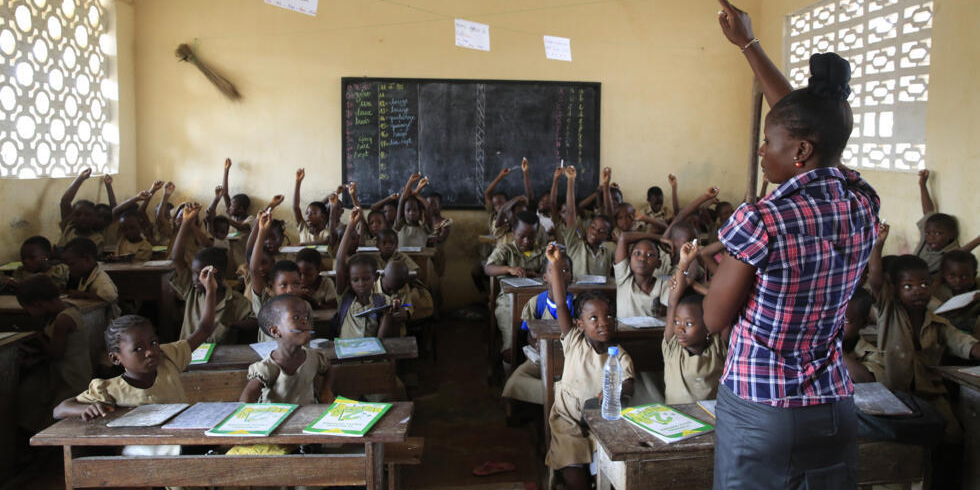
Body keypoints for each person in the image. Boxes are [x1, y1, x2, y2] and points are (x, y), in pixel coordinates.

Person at [704, 2, 881, 487]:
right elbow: (813, 128)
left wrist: (749, 46)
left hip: (762, 408)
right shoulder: (862, 202)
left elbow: (714, 319)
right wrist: (749, 46)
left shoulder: (762, 219)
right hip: (832, 406)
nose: (762, 150)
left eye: (769, 141)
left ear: (800, 150)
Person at [52, 267, 220, 459]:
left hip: (183, 441)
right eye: (138, 349)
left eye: (154, 342)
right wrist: (84, 408)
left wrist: (211, 290)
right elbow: (60, 409)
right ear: (116, 358)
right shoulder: (109, 389)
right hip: (147, 454)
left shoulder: (168, 358)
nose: (150, 351)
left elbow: (205, 329)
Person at [542, 243, 634, 490]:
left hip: (603, 423)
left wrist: (617, 392)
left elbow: (628, 383)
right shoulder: (573, 341)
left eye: (608, 317)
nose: (603, 323)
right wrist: (556, 264)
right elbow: (561, 304)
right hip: (568, 420)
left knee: (605, 474)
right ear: (579, 324)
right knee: (575, 476)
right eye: (593, 318)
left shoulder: (619, 356)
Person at [15, 275, 92, 432]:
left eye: (27, 308)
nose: (28, 313)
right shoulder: (68, 308)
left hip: (71, 376)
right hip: (70, 372)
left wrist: (38, 337)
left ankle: (52, 453)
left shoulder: (63, 320)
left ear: (37, 303)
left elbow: (56, 354)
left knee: (52, 421)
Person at [170, 203, 252, 343]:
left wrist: (233, 325)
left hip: (222, 358)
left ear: (217, 275)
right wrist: (186, 222)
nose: (195, 278)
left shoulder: (237, 301)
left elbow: (255, 321)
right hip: (190, 357)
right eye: (194, 273)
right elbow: (177, 258)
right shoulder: (192, 292)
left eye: (199, 274)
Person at [502, 251, 574, 407]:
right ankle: (561, 396)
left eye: (565, 270)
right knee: (515, 380)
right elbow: (528, 333)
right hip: (541, 356)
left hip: (569, 359)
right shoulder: (537, 302)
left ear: (572, 276)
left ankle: (560, 396)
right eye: (553, 270)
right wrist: (535, 343)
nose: (559, 274)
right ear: (544, 277)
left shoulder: (578, 303)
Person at [239, 294, 335, 405]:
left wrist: (326, 390)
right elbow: (248, 395)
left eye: (306, 317)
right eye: (296, 317)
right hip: (276, 418)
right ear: (275, 331)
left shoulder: (314, 357)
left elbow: (329, 369)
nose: (305, 322)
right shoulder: (268, 367)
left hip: (308, 416)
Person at [663, 240, 726, 405]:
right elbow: (672, 303)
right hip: (676, 423)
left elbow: (724, 303)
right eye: (677, 322)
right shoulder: (673, 347)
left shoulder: (718, 347)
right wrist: (683, 263)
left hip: (711, 424)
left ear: (708, 327)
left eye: (689, 324)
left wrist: (695, 286)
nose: (680, 329)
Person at [332, 207, 405, 339]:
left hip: (372, 354)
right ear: (349, 280)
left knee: (388, 317)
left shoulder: (382, 300)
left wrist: (397, 311)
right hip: (348, 355)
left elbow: (395, 322)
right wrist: (350, 226)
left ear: (376, 277)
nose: (361, 284)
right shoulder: (345, 297)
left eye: (366, 279)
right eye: (355, 280)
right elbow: (339, 260)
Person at [485, 210, 546, 363]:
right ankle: (509, 371)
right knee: (511, 340)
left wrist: (536, 274)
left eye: (531, 237)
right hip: (508, 301)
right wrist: (508, 269)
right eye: (521, 236)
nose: (526, 241)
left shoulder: (543, 252)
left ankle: (540, 367)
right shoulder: (506, 250)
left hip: (538, 301)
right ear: (513, 232)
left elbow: (551, 273)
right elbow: (488, 268)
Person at [557, 166, 615, 277]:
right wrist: (570, 180)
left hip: (600, 294)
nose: (595, 232)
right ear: (588, 227)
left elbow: (609, 216)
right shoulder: (574, 244)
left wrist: (606, 186)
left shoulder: (608, 252)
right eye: (593, 227)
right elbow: (570, 213)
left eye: (601, 231)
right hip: (578, 294)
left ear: (607, 236)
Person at [614, 230, 671, 318]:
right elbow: (623, 237)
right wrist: (659, 238)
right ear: (629, 259)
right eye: (637, 253)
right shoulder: (623, 279)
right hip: (624, 332)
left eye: (650, 255)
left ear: (658, 263)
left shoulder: (663, 285)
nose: (642, 258)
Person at [930, 250, 979, 336]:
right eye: (952, 276)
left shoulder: (977, 287)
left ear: (974, 275)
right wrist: (971, 303)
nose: (958, 281)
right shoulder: (938, 292)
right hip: (949, 331)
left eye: (964, 276)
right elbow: (945, 320)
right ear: (943, 275)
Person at [62, 238, 119, 306]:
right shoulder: (84, 276)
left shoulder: (101, 279)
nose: (70, 269)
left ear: (87, 259)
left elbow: (110, 296)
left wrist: (83, 295)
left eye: (72, 264)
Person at [1, 236, 70, 291]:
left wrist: (25, 286)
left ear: (47, 255)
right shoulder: (21, 272)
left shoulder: (60, 270)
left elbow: (58, 289)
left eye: (32, 257)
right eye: (23, 258)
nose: (26, 261)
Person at [57, 168, 104, 248]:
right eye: (77, 214)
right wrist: (81, 178)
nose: (82, 218)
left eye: (87, 214)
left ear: (95, 217)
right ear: (72, 217)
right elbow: (65, 201)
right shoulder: (68, 228)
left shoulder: (98, 239)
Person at [292, 168, 333, 245]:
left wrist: (304, 245)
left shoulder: (325, 232)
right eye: (307, 213)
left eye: (313, 213)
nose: (308, 216)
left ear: (322, 217)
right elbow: (295, 207)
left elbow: (325, 242)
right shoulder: (303, 228)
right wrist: (298, 182)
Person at [395, 173, 432, 248]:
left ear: (420, 212)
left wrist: (416, 194)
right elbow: (401, 202)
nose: (411, 213)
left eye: (415, 210)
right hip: (403, 260)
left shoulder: (425, 228)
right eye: (408, 210)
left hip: (421, 260)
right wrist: (410, 182)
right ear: (403, 212)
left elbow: (428, 207)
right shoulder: (400, 226)